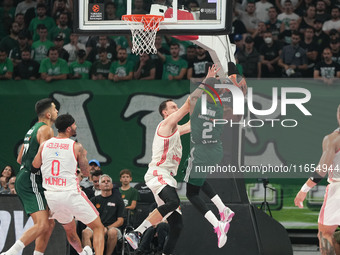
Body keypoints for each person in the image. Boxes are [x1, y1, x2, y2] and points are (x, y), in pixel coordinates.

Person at [125, 89, 193, 254]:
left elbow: (193, 124)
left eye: (176, 107)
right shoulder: (165, 125)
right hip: (158, 173)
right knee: (174, 202)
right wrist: (209, 80)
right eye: (173, 107)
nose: (176, 109)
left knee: (177, 225)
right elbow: (188, 105)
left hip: (167, 177)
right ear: (165, 112)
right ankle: (136, 232)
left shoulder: (176, 130)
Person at [183, 66, 240, 249]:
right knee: (200, 181)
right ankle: (223, 209)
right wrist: (216, 83)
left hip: (201, 151)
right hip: (216, 150)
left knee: (191, 193)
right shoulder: (219, 105)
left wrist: (207, 79)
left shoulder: (199, 103)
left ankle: (218, 225)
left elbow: (192, 98)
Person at [31, 113, 104, 255]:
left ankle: (82, 253)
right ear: (69, 128)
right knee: (98, 228)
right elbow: (86, 172)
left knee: (70, 231)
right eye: (75, 125)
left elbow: (35, 166)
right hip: (70, 194)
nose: (76, 127)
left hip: (51, 196)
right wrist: (83, 157)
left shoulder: (45, 145)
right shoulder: (76, 146)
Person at [1, 98, 58, 255]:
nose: (57, 112)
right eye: (54, 109)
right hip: (32, 179)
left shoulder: (32, 130)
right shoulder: (47, 130)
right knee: (43, 224)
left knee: (49, 223)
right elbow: (45, 158)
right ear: (48, 114)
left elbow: (20, 159)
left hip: (27, 176)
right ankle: (10, 253)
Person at [294, 105, 340, 255]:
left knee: (325, 233)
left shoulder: (333, 139)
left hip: (338, 189)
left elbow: (321, 171)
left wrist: (303, 190)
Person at [82, 174, 124, 255]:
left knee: (112, 232)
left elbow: (121, 221)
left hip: (112, 227)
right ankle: (89, 253)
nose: (106, 183)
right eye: (103, 182)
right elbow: (88, 218)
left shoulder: (118, 200)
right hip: (95, 226)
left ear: (112, 185)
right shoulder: (94, 200)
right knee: (85, 232)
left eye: (108, 181)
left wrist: (107, 228)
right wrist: (98, 228)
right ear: (100, 186)